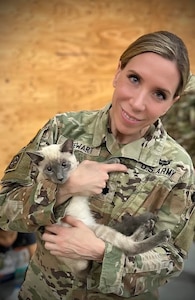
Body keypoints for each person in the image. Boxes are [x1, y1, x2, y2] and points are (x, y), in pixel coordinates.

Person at [0, 31, 195, 300]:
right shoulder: (62, 130)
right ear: (118, 72)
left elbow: (171, 260)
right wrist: (64, 188)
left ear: (172, 102)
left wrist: (101, 252)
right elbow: (3, 206)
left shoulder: (178, 168)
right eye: (134, 79)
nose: (137, 104)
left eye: (159, 94)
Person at [0, 229, 36, 299]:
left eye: (11, 235)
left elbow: (35, 262)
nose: (8, 241)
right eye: (2, 237)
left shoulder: (26, 231)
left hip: (21, 277)